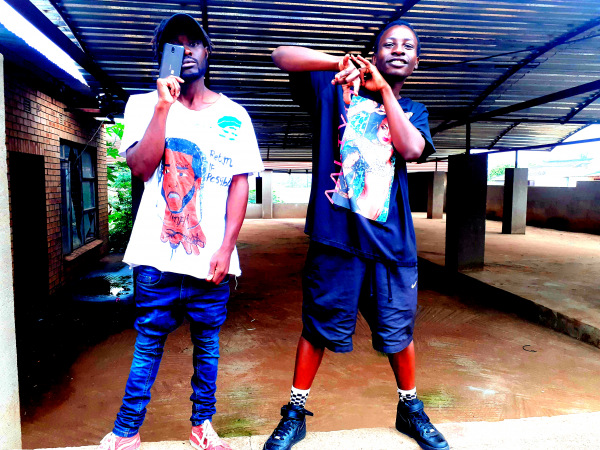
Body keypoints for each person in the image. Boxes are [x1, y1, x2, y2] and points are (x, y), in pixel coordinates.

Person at [263, 20, 449, 450]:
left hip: (391, 244)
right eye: (389, 43)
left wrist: (384, 92)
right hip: (336, 239)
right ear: (374, 54)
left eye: (408, 46)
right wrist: (339, 63)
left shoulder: (414, 110)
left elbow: (411, 149)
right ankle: (295, 413)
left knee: (398, 332)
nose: (398, 49)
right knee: (317, 327)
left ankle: (410, 410)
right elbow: (280, 56)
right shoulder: (334, 91)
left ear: (415, 62)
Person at [98, 13, 264, 450]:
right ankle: (127, 430)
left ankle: (201, 426)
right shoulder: (142, 105)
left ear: (208, 52)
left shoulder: (234, 115)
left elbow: (240, 184)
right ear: (162, 57)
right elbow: (141, 168)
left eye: (194, 42)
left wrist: (227, 248)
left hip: (211, 260)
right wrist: (162, 107)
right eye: (175, 44)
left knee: (207, 344)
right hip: (156, 258)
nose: (186, 50)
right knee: (149, 341)